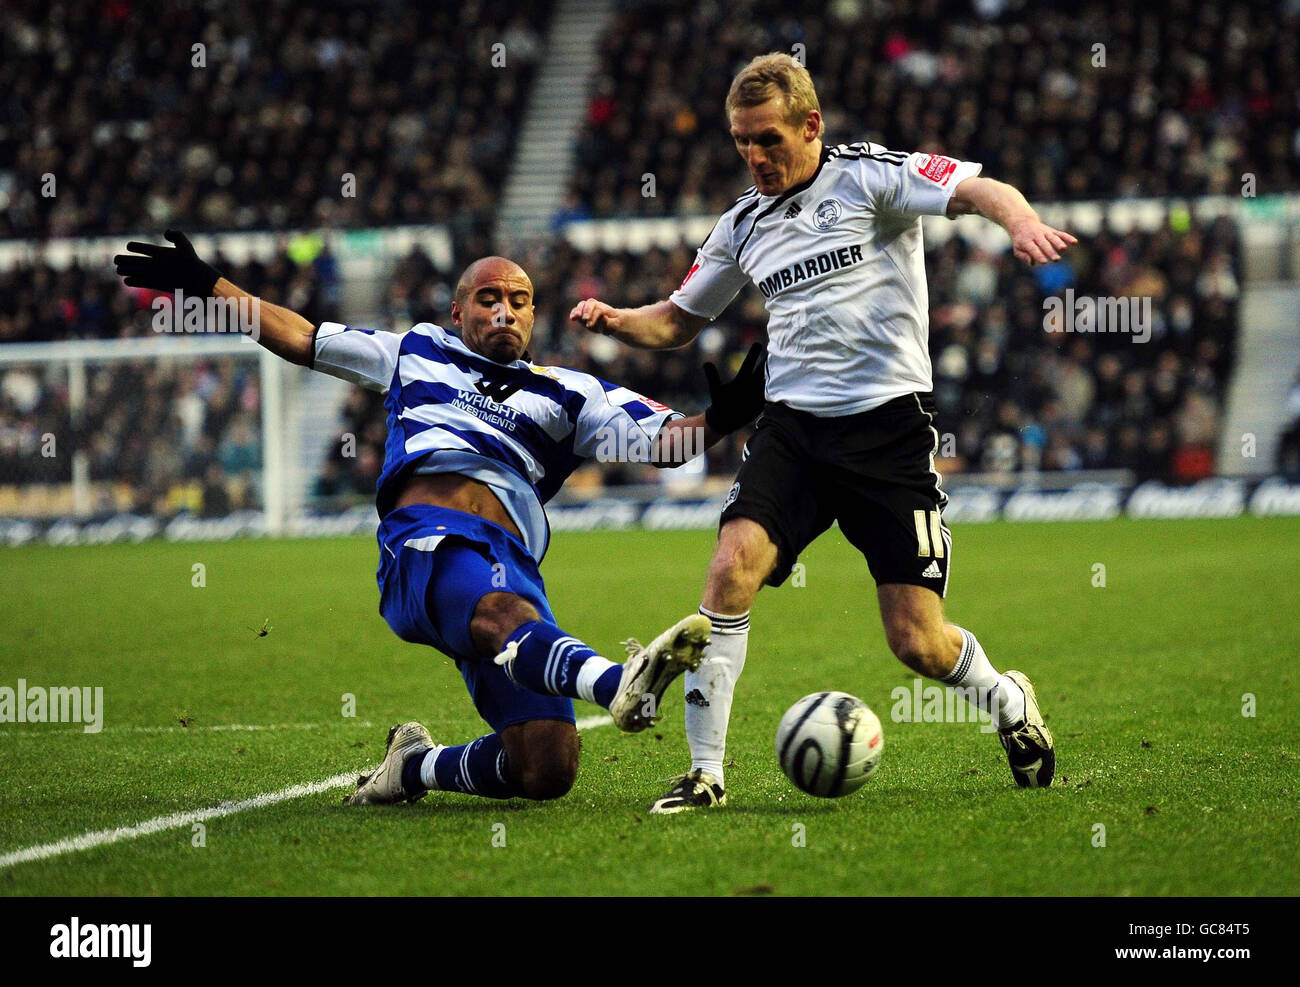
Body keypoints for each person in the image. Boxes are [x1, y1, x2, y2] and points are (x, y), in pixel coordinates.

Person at [571, 53, 1073, 812]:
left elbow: (977, 190)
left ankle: (1009, 701)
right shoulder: (743, 222)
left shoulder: (872, 177)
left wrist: (1023, 220)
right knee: (728, 571)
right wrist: (615, 319)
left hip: (888, 437)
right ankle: (706, 773)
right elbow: (677, 319)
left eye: (768, 139)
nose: (755, 157)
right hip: (793, 432)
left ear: (812, 125)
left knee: (916, 641)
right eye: (742, 142)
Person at [115, 233, 766, 805]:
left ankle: (414, 767)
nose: (504, 308)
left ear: (535, 313)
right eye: (487, 297)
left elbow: (663, 442)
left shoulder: (574, 393)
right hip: (425, 539)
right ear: (458, 311)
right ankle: (616, 681)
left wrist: (724, 416)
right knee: (499, 615)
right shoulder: (414, 351)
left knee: (545, 765)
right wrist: (210, 285)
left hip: (508, 564)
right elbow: (300, 335)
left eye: (519, 298)